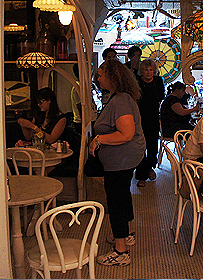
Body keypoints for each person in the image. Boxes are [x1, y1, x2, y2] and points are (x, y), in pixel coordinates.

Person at [88, 59, 146, 266]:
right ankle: (127, 234)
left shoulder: (120, 100)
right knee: (122, 195)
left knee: (116, 201)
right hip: (123, 158)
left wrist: (98, 139)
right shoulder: (120, 98)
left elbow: (127, 133)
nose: (98, 77)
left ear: (112, 76)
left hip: (121, 158)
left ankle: (120, 251)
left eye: (101, 73)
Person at [135, 59, 165, 187]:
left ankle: (150, 168)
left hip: (153, 117)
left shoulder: (158, 81)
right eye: (146, 70)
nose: (148, 72)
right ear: (142, 71)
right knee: (141, 146)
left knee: (152, 145)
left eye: (151, 70)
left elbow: (161, 97)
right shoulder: (137, 82)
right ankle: (141, 175)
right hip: (139, 117)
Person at [70, 63, 82, 133]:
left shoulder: (83, 86)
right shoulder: (77, 87)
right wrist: (85, 122)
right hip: (80, 122)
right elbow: (80, 106)